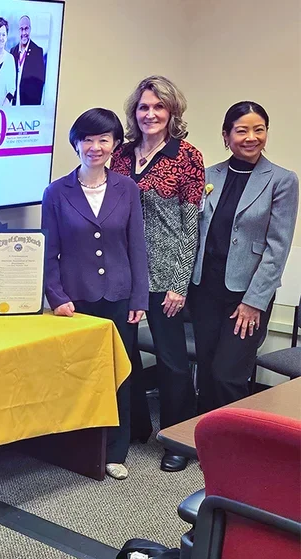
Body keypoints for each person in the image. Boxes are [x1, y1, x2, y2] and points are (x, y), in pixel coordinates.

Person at [41, 108, 148, 480]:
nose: (95, 146)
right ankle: (80, 448)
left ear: (115, 144)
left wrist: (139, 299)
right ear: (76, 144)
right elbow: (48, 251)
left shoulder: (127, 188)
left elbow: (137, 247)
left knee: (120, 372)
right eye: (87, 139)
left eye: (104, 139)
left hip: (119, 296)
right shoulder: (56, 192)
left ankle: (116, 450)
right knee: (79, 374)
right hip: (76, 299)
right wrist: (56, 296)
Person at [110, 76, 204, 473]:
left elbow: (191, 226)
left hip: (165, 275)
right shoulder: (121, 154)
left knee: (172, 361)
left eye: (158, 107)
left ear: (171, 112)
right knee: (124, 356)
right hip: (122, 273)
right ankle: (135, 429)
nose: (150, 114)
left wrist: (180, 284)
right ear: (135, 112)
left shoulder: (187, 156)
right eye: (143, 107)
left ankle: (177, 439)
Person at [189, 102, 299, 412]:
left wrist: (254, 302)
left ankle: (234, 445)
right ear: (226, 136)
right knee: (207, 369)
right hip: (205, 289)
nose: (251, 137)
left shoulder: (281, 180)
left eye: (259, 129)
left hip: (246, 297)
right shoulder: (208, 175)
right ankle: (199, 437)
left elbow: (278, 247)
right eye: (242, 130)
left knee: (228, 374)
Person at [10, 15, 45, 106]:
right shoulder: (13, 51)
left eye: (26, 29)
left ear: (30, 29)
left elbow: (40, 83)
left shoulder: (37, 51)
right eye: (21, 29)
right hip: (13, 105)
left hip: (28, 107)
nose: (24, 32)